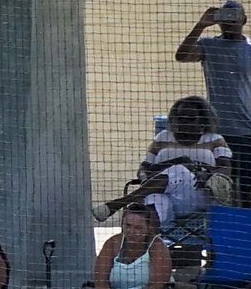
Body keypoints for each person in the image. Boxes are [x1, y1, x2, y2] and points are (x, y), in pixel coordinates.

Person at [175, 0, 251, 205]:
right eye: (224, 17)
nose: (229, 22)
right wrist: (201, 25)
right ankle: (219, 233)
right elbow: (181, 56)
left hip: (248, 133)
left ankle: (246, 232)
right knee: (217, 189)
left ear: (244, 20)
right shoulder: (208, 45)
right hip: (217, 134)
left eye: (233, 16)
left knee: (247, 191)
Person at [92, 95, 233, 227]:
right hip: (165, 195)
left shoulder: (215, 139)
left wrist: (207, 175)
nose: (183, 123)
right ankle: (147, 248)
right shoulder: (163, 137)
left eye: (190, 119)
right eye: (180, 118)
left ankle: (116, 204)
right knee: (153, 202)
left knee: (179, 170)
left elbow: (225, 170)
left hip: (197, 195)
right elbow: (143, 170)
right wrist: (175, 162)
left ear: (202, 121)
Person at [92, 203, 171, 289]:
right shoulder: (112, 244)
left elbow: (158, 286)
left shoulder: (157, 246)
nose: (131, 231)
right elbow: (100, 281)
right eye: (128, 226)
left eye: (138, 227)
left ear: (148, 228)